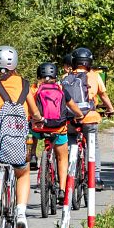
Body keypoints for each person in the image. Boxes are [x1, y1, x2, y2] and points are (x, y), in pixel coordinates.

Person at [0, 46, 45, 228]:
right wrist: (39, 118)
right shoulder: (24, 84)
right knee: (22, 173)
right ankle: (21, 214)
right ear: (14, 64)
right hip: (15, 139)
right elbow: (34, 112)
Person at [30, 62, 85, 195]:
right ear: (55, 75)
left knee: (32, 133)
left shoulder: (35, 89)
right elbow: (72, 106)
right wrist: (80, 115)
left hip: (40, 127)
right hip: (58, 127)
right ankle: (62, 189)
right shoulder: (61, 89)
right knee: (62, 157)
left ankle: (32, 154)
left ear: (39, 75)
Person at [62, 47, 114, 154]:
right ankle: (94, 171)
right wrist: (110, 109)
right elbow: (103, 95)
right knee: (93, 147)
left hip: (70, 117)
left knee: (70, 137)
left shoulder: (66, 77)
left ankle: (70, 162)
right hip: (90, 118)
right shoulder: (95, 76)